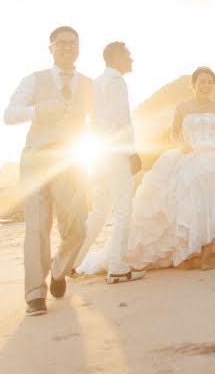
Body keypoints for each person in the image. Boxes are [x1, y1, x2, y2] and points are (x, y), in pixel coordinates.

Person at [79, 67, 215, 273]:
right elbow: (174, 134)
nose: (206, 86)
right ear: (193, 84)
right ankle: (189, 248)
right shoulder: (183, 107)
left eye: (210, 82)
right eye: (202, 81)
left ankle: (206, 254)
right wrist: (182, 144)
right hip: (189, 155)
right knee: (194, 204)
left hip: (214, 157)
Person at [4, 26, 92, 316]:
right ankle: (34, 293)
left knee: (77, 227)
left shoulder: (89, 85)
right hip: (37, 160)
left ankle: (58, 270)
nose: (68, 48)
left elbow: (103, 123)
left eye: (73, 44)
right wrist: (38, 110)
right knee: (37, 227)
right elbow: (10, 114)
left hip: (72, 161)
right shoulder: (34, 80)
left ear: (79, 49)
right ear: (50, 48)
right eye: (61, 43)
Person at [73, 42, 145, 285]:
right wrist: (131, 152)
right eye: (128, 54)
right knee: (123, 208)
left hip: (99, 154)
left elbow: (94, 121)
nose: (132, 59)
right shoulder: (116, 81)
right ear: (115, 57)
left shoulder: (96, 83)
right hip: (115, 153)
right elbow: (120, 121)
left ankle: (72, 262)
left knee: (99, 209)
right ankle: (117, 267)